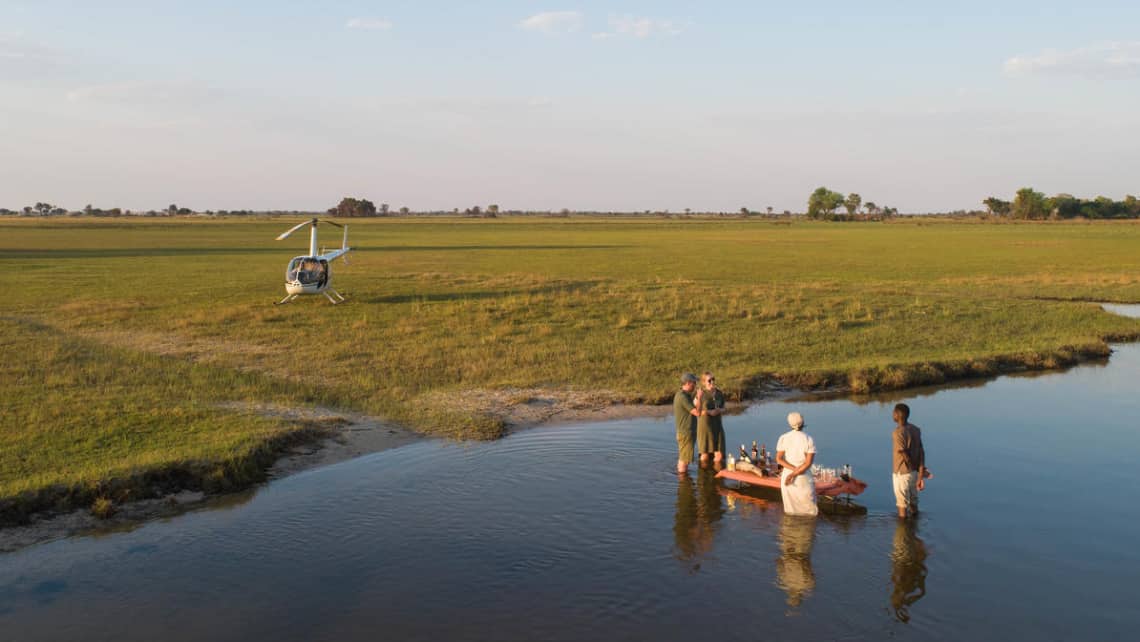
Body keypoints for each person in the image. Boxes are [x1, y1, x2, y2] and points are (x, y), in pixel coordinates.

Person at [891, 403, 930, 519]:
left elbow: (904, 455)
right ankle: (914, 527)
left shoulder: (897, 433)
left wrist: (913, 468)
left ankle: (903, 532)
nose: (892, 414)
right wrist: (920, 473)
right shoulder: (916, 429)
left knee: (901, 505)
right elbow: (922, 451)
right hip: (914, 473)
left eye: (893, 412)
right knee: (913, 504)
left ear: (897, 415)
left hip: (902, 473)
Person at [776, 411, 818, 516]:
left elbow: (779, 459)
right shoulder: (808, 439)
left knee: (790, 511)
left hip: (787, 476)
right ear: (802, 423)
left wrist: (791, 472)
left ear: (790, 424)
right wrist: (795, 473)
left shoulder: (784, 438)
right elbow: (808, 463)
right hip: (803, 476)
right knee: (810, 511)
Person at [695, 372, 726, 465]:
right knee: (705, 455)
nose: (712, 381)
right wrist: (709, 412)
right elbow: (697, 412)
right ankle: (704, 476)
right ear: (704, 382)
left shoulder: (719, 393)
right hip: (705, 426)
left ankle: (716, 476)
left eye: (713, 379)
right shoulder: (701, 394)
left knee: (719, 455)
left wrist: (719, 410)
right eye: (709, 380)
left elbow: (724, 408)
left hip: (717, 426)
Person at [673, 373, 701, 473]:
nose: (695, 385)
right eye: (694, 383)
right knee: (684, 461)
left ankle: (683, 478)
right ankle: (683, 481)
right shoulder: (683, 397)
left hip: (685, 433)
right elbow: (697, 413)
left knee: (684, 458)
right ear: (688, 383)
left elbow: (691, 406)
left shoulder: (683, 395)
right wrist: (699, 398)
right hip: (686, 433)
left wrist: (696, 398)